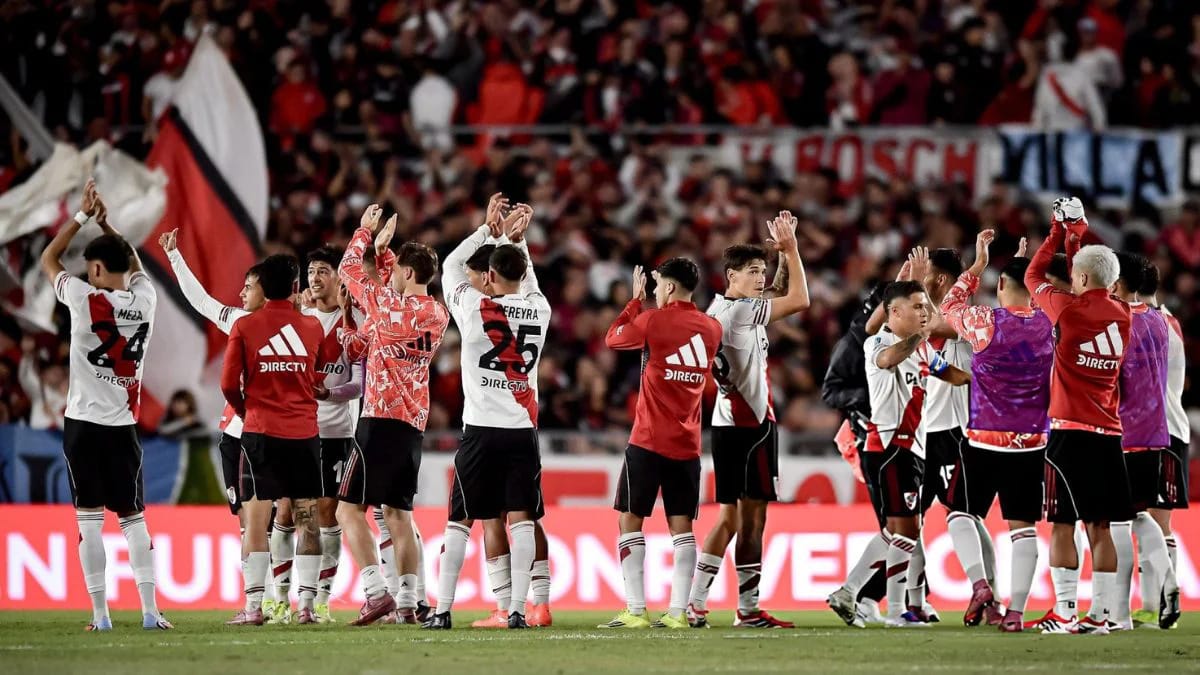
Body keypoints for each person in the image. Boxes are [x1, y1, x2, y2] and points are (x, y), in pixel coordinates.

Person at [41, 179, 171, 631]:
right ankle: (151, 612)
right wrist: (107, 224)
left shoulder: (81, 299)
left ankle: (101, 616)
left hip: (82, 426)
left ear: (95, 269)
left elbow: (48, 259)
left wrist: (81, 216)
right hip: (122, 427)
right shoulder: (148, 300)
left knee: (89, 522)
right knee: (134, 521)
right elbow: (132, 265)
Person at [426, 198, 550, 631]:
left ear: (490, 276)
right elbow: (526, 280)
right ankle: (517, 610)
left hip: (479, 431)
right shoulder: (541, 309)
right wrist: (518, 243)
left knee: (459, 520)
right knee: (521, 518)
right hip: (521, 431)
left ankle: (441, 610)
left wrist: (487, 231)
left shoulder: (475, 308)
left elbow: (451, 267)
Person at [687, 211, 810, 629]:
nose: (761, 278)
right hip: (752, 426)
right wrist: (791, 250)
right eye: (753, 272)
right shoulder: (740, 314)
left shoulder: (722, 308)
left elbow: (776, 290)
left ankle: (696, 603)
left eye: (762, 270)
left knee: (730, 518)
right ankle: (748, 609)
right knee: (752, 519)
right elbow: (799, 300)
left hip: (726, 422)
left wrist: (780, 261)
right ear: (731, 277)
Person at [1024, 196, 1134, 635]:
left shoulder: (1066, 308)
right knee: (1101, 527)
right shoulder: (1124, 313)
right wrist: (1078, 234)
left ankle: (1066, 612)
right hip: (1110, 433)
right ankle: (1102, 616)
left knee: (1063, 525)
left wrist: (1057, 231)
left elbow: (1033, 275)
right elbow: (1090, 279)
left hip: (1069, 434)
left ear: (1081, 277)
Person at [336, 205, 449, 626]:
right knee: (399, 515)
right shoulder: (438, 315)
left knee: (347, 511)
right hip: (413, 424)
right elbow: (394, 295)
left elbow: (349, 273)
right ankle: (406, 601)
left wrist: (364, 235)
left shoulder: (385, 307)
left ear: (405, 272)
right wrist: (386, 256)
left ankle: (374, 591)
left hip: (378, 420)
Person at [940, 230, 1054, 633]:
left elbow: (948, 304)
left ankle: (981, 585)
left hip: (984, 439)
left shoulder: (983, 320)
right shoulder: (1052, 325)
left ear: (1001, 285)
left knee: (960, 514)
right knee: (1023, 529)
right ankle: (1017, 613)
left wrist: (977, 266)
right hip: (1032, 442)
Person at [600, 257, 723, 630]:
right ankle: (677, 613)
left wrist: (635, 301)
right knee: (682, 527)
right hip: (687, 445)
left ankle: (636, 611)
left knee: (630, 521)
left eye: (657, 286)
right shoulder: (712, 328)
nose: (655, 291)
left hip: (648, 440)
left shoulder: (653, 320)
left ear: (668, 287)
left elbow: (613, 338)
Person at [221, 254, 328, 626]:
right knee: (307, 518)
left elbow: (226, 383)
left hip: (260, 432)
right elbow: (321, 374)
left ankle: (253, 608)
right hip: (303, 434)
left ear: (263, 288)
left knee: (256, 519)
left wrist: (244, 410)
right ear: (297, 287)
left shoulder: (246, 326)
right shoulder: (313, 327)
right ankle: (308, 607)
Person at [856, 280, 970, 629]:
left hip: (913, 448)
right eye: (918, 307)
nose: (925, 313)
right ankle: (883, 605)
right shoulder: (878, 342)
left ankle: (857, 595)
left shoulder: (921, 351)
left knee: (902, 532)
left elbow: (952, 374)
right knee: (903, 531)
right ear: (895, 313)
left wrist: (990, 375)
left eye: (926, 307)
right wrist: (921, 337)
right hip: (892, 447)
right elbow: (889, 358)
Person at [1109, 252, 1179, 631]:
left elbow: (1110, 378)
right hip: (1154, 432)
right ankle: (1168, 579)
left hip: (1123, 433)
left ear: (1117, 283)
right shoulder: (1159, 321)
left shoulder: (1120, 322)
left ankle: (1118, 613)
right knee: (1140, 514)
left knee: (1118, 522)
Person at [298, 245, 366, 622]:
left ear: (339, 277)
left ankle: (319, 600)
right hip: (300, 430)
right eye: (311, 271)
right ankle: (292, 599)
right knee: (297, 514)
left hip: (339, 431)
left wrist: (328, 393)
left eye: (323, 270)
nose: (315, 277)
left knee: (328, 514)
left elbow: (358, 384)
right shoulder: (301, 318)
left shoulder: (352, 321)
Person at [1134, 263, 1186, 628]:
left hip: (1160, 431)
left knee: (1155, 521)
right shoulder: (1168, 320)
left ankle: (1161, 602)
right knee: (1147, 519)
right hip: (1162, 430)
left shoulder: (1150, 325)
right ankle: (1154, 602)